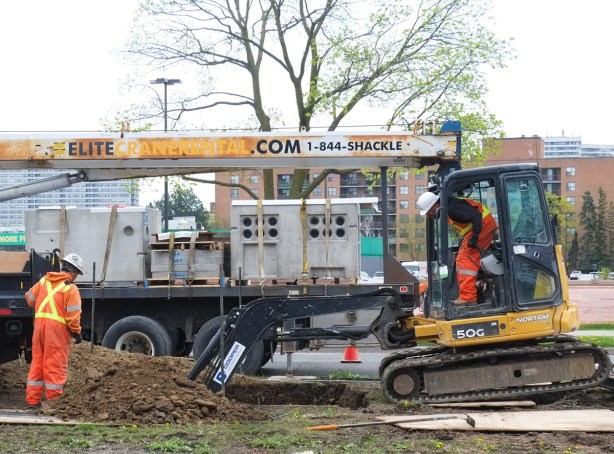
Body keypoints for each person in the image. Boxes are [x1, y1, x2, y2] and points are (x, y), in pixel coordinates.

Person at [25, 252, 84, 408]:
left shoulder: (44, 281)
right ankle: (54, 403)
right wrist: (77, 332)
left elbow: (29, 299)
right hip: (56, 332)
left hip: (39, 329)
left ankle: (32, 401)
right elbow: (73, 317)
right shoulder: (71, 288)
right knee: (54, 365)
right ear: (74, 272)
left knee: (37, 362)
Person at [417, 191, 497, 305]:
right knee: (461, 258)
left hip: (484, 226)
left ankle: (468, 298)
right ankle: (467, 293)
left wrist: (474, 238)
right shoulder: (450, 208)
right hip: (481, 226)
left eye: (429, 211)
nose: (429, 215)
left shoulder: (452, 209)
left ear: (435, 205)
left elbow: (477, 216)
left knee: (465, 259)